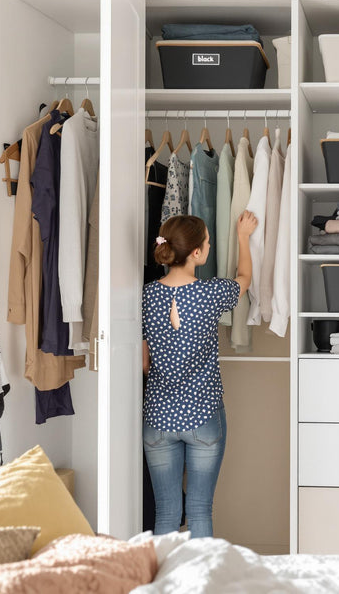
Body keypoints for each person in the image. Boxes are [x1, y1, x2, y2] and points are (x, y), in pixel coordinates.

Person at [141, 210, 257, 538]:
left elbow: (145, 363)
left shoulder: (147, 295)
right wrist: (242, 238)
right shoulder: (211, 293)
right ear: (196, 253)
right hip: (203, 413)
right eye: (206, 242)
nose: (208, 246)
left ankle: (165, 586)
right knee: (199, 509)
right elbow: (244, 279)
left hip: (158, 418)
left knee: (166, 511)